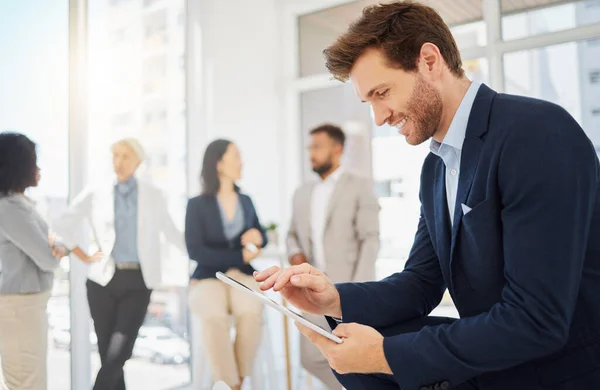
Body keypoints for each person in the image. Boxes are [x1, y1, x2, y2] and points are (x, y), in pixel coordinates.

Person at [256, 2, 600, 390]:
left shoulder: (535, 133)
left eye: (382, 92)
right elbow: (420, 283)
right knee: (349, 349)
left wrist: (385, 355)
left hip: (558, 367)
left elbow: (537, 320)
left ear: (430, 61)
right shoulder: (435, 169)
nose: (380, 117)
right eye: (369, 102)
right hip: (497, 355)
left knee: (371, 358)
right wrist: (331, 299)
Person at [52, 138, 185, 390]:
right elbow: (62, 223)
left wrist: (203, 258)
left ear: (138, 161)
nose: (119, 162)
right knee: (109, 358)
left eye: (125, 156)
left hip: (138, 281)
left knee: (117, 354)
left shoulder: (154, 195)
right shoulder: (97, 191)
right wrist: (81, 253)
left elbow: (172, 232)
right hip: (101, 281)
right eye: (115, 155)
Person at [287, 123, 379, 389]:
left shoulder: (360, 186)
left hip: (350, 288)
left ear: (337, 149)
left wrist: (359, 288)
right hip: (311, 292)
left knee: (354, 354)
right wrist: (295, 254)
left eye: (317, 147)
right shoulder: (302, 193)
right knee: (310, 357)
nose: (311, 153)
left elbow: (370, 239)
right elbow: (291, 233)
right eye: (309, 147)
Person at [186, 139, 267, 390]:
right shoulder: (197, 205)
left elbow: (260, 233)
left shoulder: (246, 200)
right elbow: (196, 251)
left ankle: (237, 382)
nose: (241, 162)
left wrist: (257, 237)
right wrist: (239, 257)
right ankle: (230, 383)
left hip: (241, 276)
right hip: (208, 277)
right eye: (236, 156)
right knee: (213, 316)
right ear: (219, 163)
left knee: (251, 311)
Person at [0, 132, 67, 390]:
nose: (38, 168)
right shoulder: (9, 207)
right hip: (20, 307)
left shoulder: (17, 204)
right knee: (27, 383)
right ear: (18, 165)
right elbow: (47, 259)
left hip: (24, 305)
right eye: (32, 161)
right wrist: (55, 247)